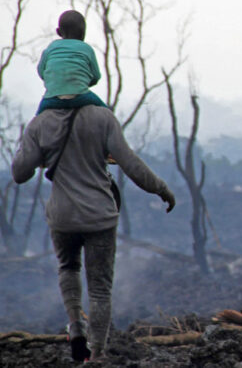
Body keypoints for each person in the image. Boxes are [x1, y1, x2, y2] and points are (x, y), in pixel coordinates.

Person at [12, 105, 175, 362]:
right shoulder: (103, 118)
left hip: (62, 217)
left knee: (68, 267)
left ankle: (76, 326)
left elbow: (20, 173)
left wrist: (39, 153)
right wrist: (161, 188)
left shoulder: (40, 123)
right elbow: (130, 163)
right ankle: (97, 353)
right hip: (99, 216)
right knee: (100, 289)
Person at [36, 10, 107, 115]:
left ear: (58, 32)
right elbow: (96, 76)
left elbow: (41, 71)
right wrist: (82, 83)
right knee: (106, 113)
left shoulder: (51, 48)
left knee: (37, 120)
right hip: (81, 96)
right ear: (83, 33)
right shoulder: (87, 48)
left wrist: (54, 82)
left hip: (53, 98)